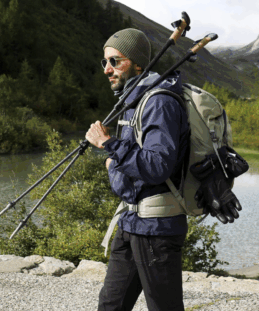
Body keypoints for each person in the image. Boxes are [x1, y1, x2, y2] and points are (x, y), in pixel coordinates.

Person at [85, 28, 190, 311]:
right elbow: (134, 162)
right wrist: (113, 157)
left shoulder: (159, 102)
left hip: (157, 227)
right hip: (131, 222)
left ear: (138, 63)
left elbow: (156, 166)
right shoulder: (133, 101)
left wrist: (109, 145)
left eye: (115, 61)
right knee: (110, 305)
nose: (107, 69)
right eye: (104, 62)